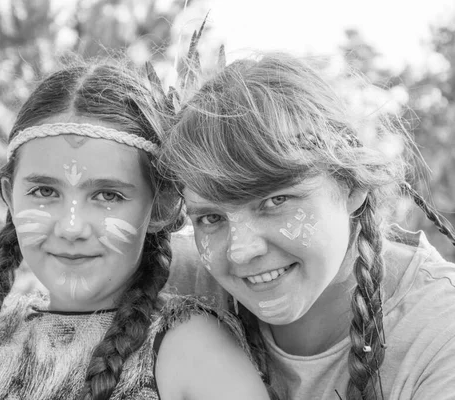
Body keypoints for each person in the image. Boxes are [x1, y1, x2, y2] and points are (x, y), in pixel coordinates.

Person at [0, 59, 269, 400]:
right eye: (44, 192)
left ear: (158, 206)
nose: (71, 228)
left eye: (108, 195)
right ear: (9, 196)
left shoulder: (195, 352)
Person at [161, 52, 455, 400]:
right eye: (211, 218)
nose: (241, 251)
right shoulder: (177, 286)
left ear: (352, 186)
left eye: (275, 201)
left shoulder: (439, 329)